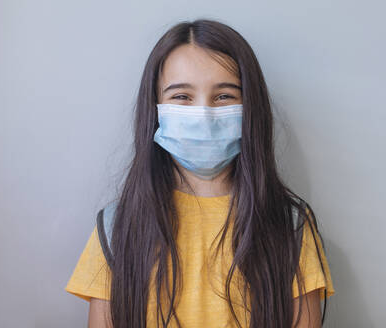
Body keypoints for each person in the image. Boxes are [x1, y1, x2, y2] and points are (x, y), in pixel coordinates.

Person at [65, 18, 335, 328]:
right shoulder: (117, 225)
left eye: (224, 96)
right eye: (182, 97)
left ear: (251, 108)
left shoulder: (290, 224)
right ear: (155, 109)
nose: (203, 114)